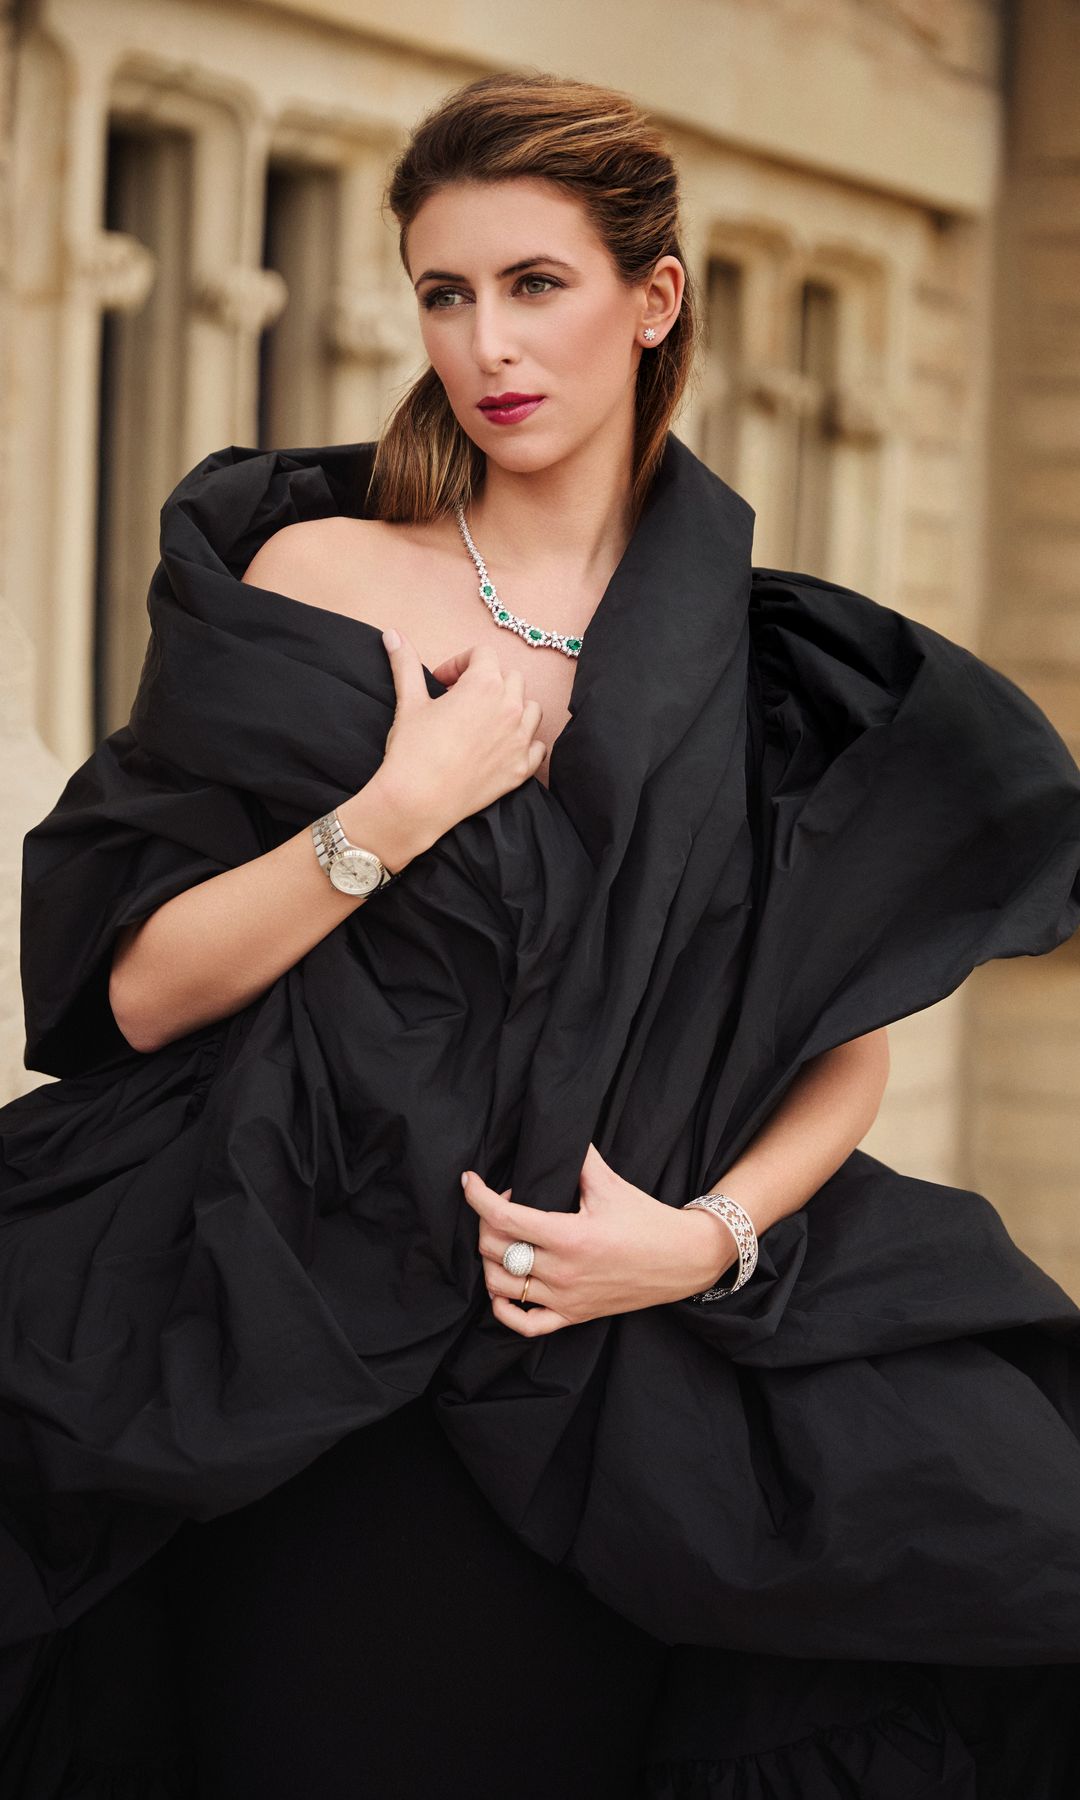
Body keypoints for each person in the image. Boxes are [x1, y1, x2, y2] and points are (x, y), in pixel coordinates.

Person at [2, 68, 1080, 1800]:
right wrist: (391, 814)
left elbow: (841, 1049)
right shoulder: (322, 580)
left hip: (613, 1372)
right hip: (300, 1340)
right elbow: (131, 991)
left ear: (653, 304)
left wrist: (704, 1243)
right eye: (446, 291)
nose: (488, 342)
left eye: (536, 285)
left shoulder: (769, 676)